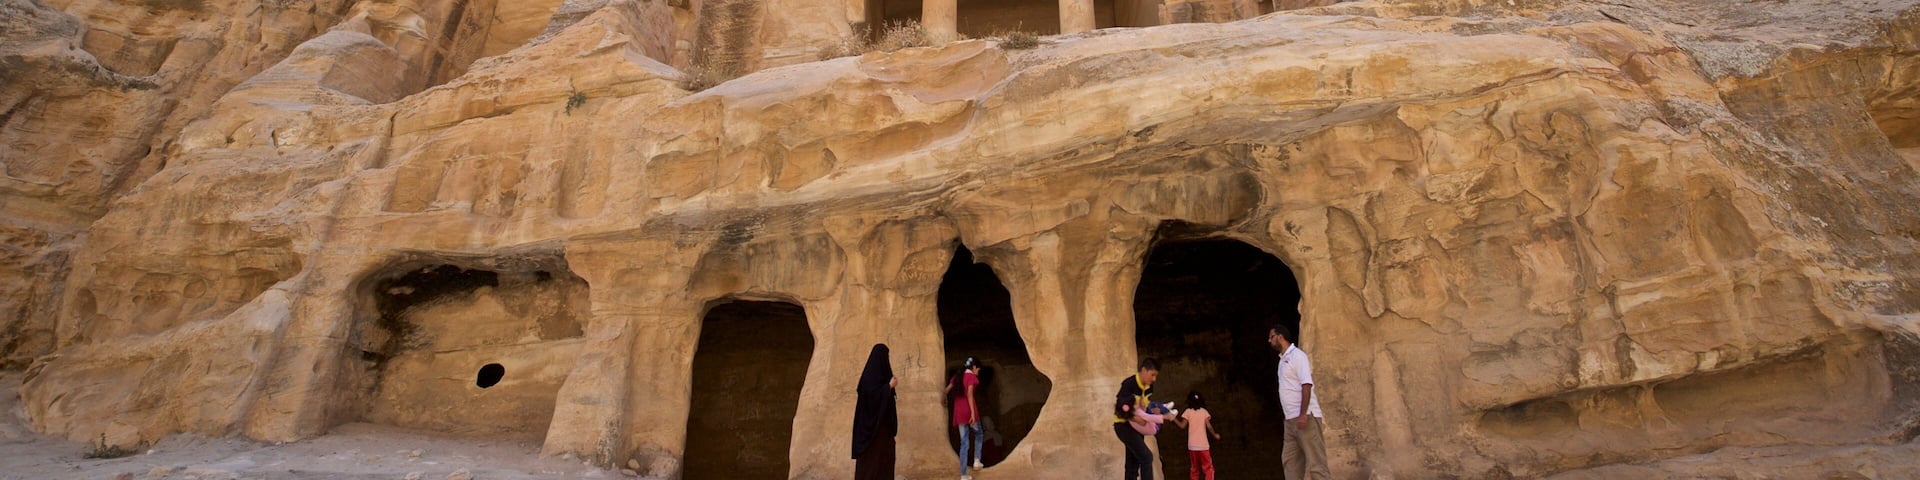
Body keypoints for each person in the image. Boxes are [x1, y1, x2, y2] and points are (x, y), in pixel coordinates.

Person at [1269, 324, 1330, 480]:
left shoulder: (1297, 356)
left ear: (1280, 337)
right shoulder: (1282, 360)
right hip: (1290, 421)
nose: (1269, 340)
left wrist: (1303, 414)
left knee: (1317, 464)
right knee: (1290, 463)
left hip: (1305, 418)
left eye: (1271, 337)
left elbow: (1306, 385)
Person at [852, 344, 898, 480]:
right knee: (871, 465)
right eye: (885, 356)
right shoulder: (868, 379)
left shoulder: (881, 378)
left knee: (883, 462)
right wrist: (888, 387)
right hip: (871, 433)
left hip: (883, 431)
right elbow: (870, 399)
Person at [1113, 358, 1162, 480]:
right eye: (1152, 375)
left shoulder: (1150, 388)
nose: (1154, 379)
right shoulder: (1129, 384)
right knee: (1147, 457)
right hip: (1124, 426)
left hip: (1138, 428)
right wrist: (1136, 419)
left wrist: (1153, 411)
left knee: (1132, 464)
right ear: (1144, 370)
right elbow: (1119, 409)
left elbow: (1144, 407)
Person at [946, 357, 985, 479]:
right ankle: (976, 461)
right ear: (973, 367)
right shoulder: (972, 377)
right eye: (978, 369)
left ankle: (963, 475)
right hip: (969, 411)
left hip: (959, 413)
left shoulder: (957, 377)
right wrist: (973, 414)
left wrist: (943, 400)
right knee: (979, 434)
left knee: (964, 442)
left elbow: (946, 390)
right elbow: (969, 395)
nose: (978, 372)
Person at [1169, 391, 1221, 480]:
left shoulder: (1188, 412)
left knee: (1194, 469)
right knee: (1208, 469)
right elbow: (1209, 426)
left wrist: (1173, 418)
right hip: (1203, 446)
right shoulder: (1204, 412)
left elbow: (1182, 426)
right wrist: (1215, 435)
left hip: (1192, 446)